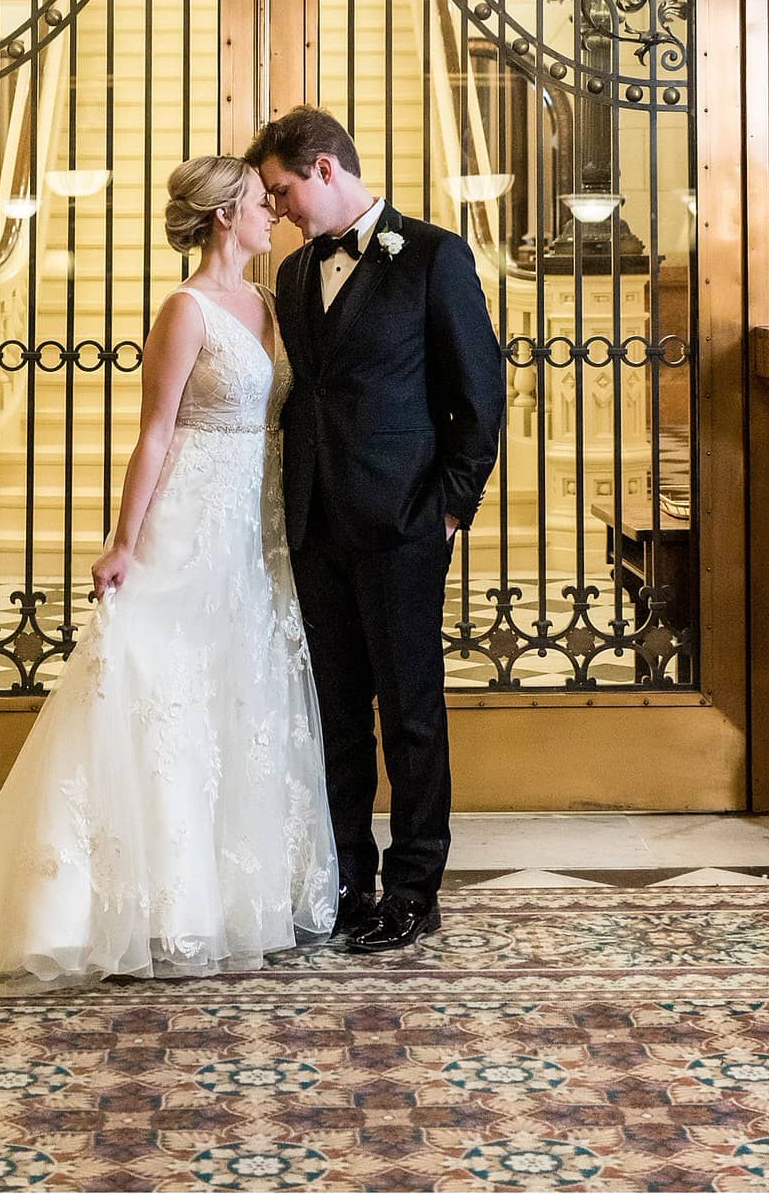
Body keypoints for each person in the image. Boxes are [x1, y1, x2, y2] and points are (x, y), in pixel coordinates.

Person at [0, 155, 338, 991]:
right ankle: (127, 906)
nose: (273, 215)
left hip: (257, 522)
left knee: (237, 692)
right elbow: (155, 434)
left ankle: (227, 895)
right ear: (225, 216)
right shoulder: (185, 311)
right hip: (188, 518)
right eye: (260, 203)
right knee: (153, 689)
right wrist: (123, 542)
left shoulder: (273, 301)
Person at [245, 107, 505, 953]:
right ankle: (348, 877)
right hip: (316, 517)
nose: (276, 207)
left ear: (324, 169)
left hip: (402, 523)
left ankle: (414, 886)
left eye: (282, 189)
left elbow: (478, 393)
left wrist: (450, 505)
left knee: (411, 710)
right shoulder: (290, 276)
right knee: (335, 713)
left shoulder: (431, 255)